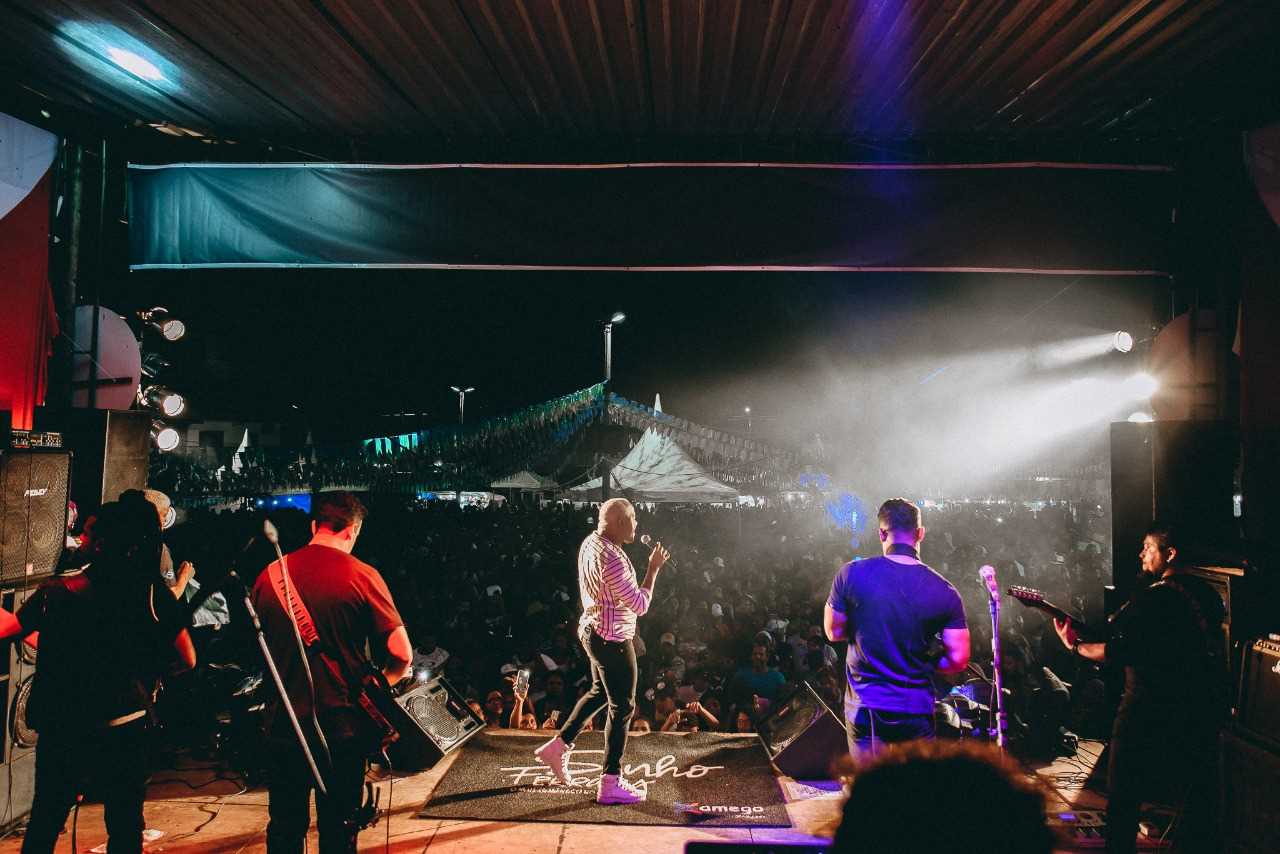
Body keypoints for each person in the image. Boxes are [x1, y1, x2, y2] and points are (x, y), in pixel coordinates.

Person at [0, 500, 196, 854]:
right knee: (124, 826)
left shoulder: (59, 592)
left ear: (102, 543)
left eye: (89, 534)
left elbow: (12, 628)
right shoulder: (152, 593)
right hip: (126, 726)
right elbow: (188, 658)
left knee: (46, 820)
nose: (82, 539)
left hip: (67, 729)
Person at [250, 491, 412, 854]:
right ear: (353, 530)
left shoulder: (270, 575)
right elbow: (402, 653)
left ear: (313, 525)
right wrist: (378, 686)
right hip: (342, 726)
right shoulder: (362, 575)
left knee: (285, 827)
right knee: (339, 829)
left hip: (285, 723)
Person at [1053, 522, 1223, 854]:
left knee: (1123, 797)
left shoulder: (1155, 597)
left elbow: (1118, 650)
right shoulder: (1208, 595)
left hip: (1144, 710)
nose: (1141, 553)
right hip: (1194, 708)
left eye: (1148, 547)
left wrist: (1075, 647)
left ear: (1169, 554)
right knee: (1195, 799)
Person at [533, 498, 669, 805]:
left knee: (598, 692)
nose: (637, 524)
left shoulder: (590, 542)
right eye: (633, 519)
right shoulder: (614, 560)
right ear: (620, 522)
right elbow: (640, 604)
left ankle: (557, 748)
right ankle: (610, 782)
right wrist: (653, 569)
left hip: (593, 631)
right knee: (622, 707)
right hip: (612, 641)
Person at [825, 498, 970, 755]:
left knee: (869, 790)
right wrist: (925, 663)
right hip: (915, 705)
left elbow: (833, 631)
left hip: (866, 704)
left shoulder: (851, 574)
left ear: (881, 532)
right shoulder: (945, 590)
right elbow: (959, 660)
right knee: (913, 790)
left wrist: (866, 631)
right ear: (920, 534)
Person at [830, 741, 1055, 854]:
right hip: (914, 699)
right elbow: (956, 659)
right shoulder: (1006, 822)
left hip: (866, 700)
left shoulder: (869, 815)